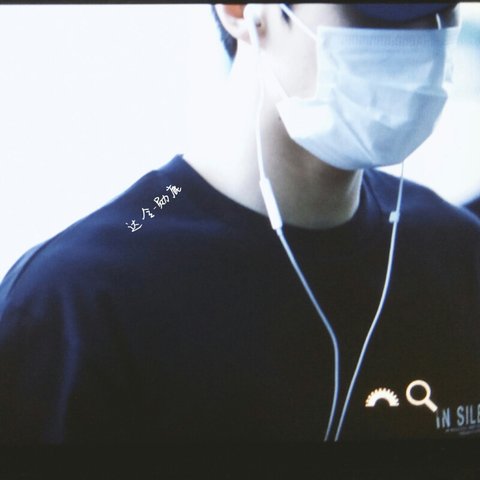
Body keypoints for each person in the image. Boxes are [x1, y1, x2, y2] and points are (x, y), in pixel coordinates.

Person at [0, 3, 479, 445]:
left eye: (442, 9)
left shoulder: (461, 255)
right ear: (240, 11)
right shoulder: (76, 305)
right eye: (380, 9)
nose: (424, 40)